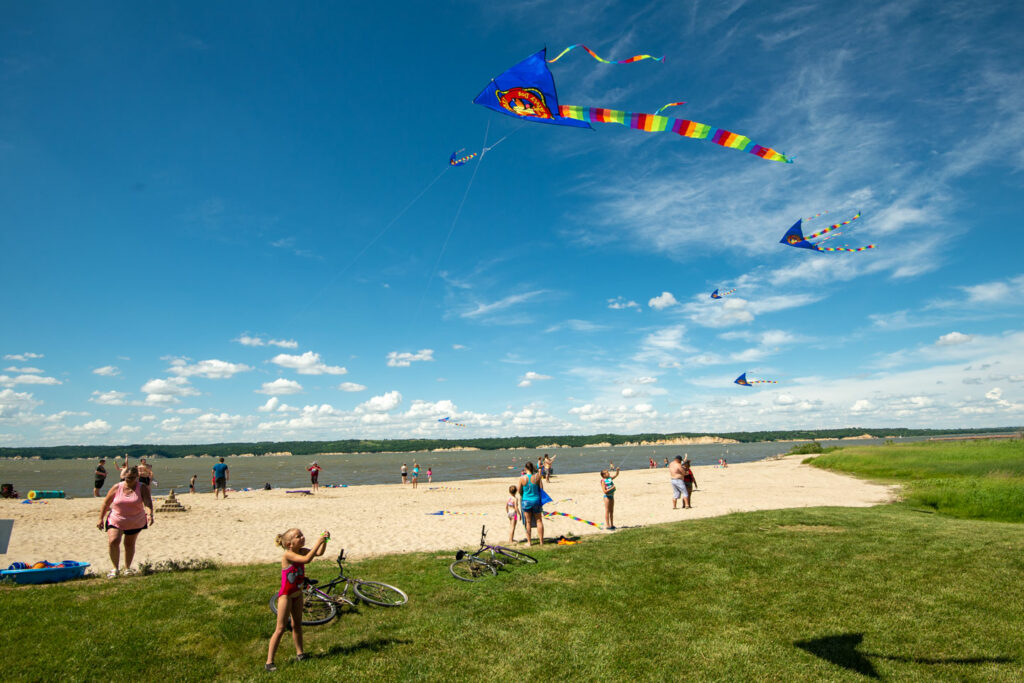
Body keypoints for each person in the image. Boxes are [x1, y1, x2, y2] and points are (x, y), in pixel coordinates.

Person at [266, 528, 330, 672]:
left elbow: (319, 553)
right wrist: (318, 542)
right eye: (298, 536)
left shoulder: (301, 550)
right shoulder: (288, 555)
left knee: (297, 625)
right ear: (289, 544)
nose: (302, 537)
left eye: (302, 534)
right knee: (281, 628)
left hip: (298, 594)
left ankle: (300, 653)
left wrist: (324, 541)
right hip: (286, 596)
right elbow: (307, 560)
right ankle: (269, 661)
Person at [97, 466, 154, 578]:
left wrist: (150, 514)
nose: (129, 480)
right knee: (113, 540)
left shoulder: (142, 488)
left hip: (135, 520)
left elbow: (147, 502)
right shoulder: (117, 487)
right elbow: (106, 503)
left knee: (129, 544)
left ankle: (127, 568)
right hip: (116, 519)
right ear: (124, 477)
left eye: (132, 478)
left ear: (137, 477)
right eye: (127, 478)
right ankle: (115, 569)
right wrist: (100, 518)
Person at [518, 462, 545, 546]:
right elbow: (541, 488)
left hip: (526, 501)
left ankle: (529, 542)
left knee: (528, 522)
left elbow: (519, 490)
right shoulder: (537, 477)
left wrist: (524, 494)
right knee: (539, 520)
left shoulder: (522, 478)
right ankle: (541, 541)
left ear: (525, 469)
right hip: (536, 500)